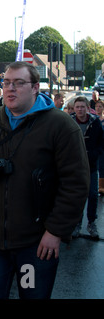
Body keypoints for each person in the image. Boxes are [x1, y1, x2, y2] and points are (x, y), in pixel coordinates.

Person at [0, 61, 89, 299]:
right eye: (6, 83)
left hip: (35, 245)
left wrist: (55, 231)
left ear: (36, 87)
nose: (10, 89)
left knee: (31, 295)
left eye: (18, 83)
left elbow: (75, 183)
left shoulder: (60, 126)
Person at [70, 96, 104, 239]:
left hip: (91, 166)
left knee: (92, 195)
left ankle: (91, 223)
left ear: (87, 108)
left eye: (82, 107)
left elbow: (101, 143)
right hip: (74, 167)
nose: (80, 110)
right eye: (77, 107)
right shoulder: (70, 121)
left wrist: (93, 154)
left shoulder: (95, 122)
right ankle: (77, 224)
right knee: (77, 196)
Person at [95, 99, 104, 194]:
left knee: (102, 167)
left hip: (102, 147)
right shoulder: (93, 119)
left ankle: (101, 187)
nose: (98, 108)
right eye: (97, 106)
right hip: (95, 147)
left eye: (100, 107)